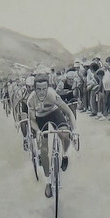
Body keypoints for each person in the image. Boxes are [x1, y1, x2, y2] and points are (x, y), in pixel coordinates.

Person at [26, 70, 78, 198]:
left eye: (44, 89)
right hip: (40, 118)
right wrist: (38, 131)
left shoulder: (52, 95)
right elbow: (32, 120)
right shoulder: (31, 99)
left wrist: (74, 130)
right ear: (34, 89)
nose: (42, 92)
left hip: (54, 113)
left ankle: (65, 154)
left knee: (65, 135)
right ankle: (48, 182)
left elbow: (69, 113)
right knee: (43, 150)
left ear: (48, 88)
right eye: (39, 89)